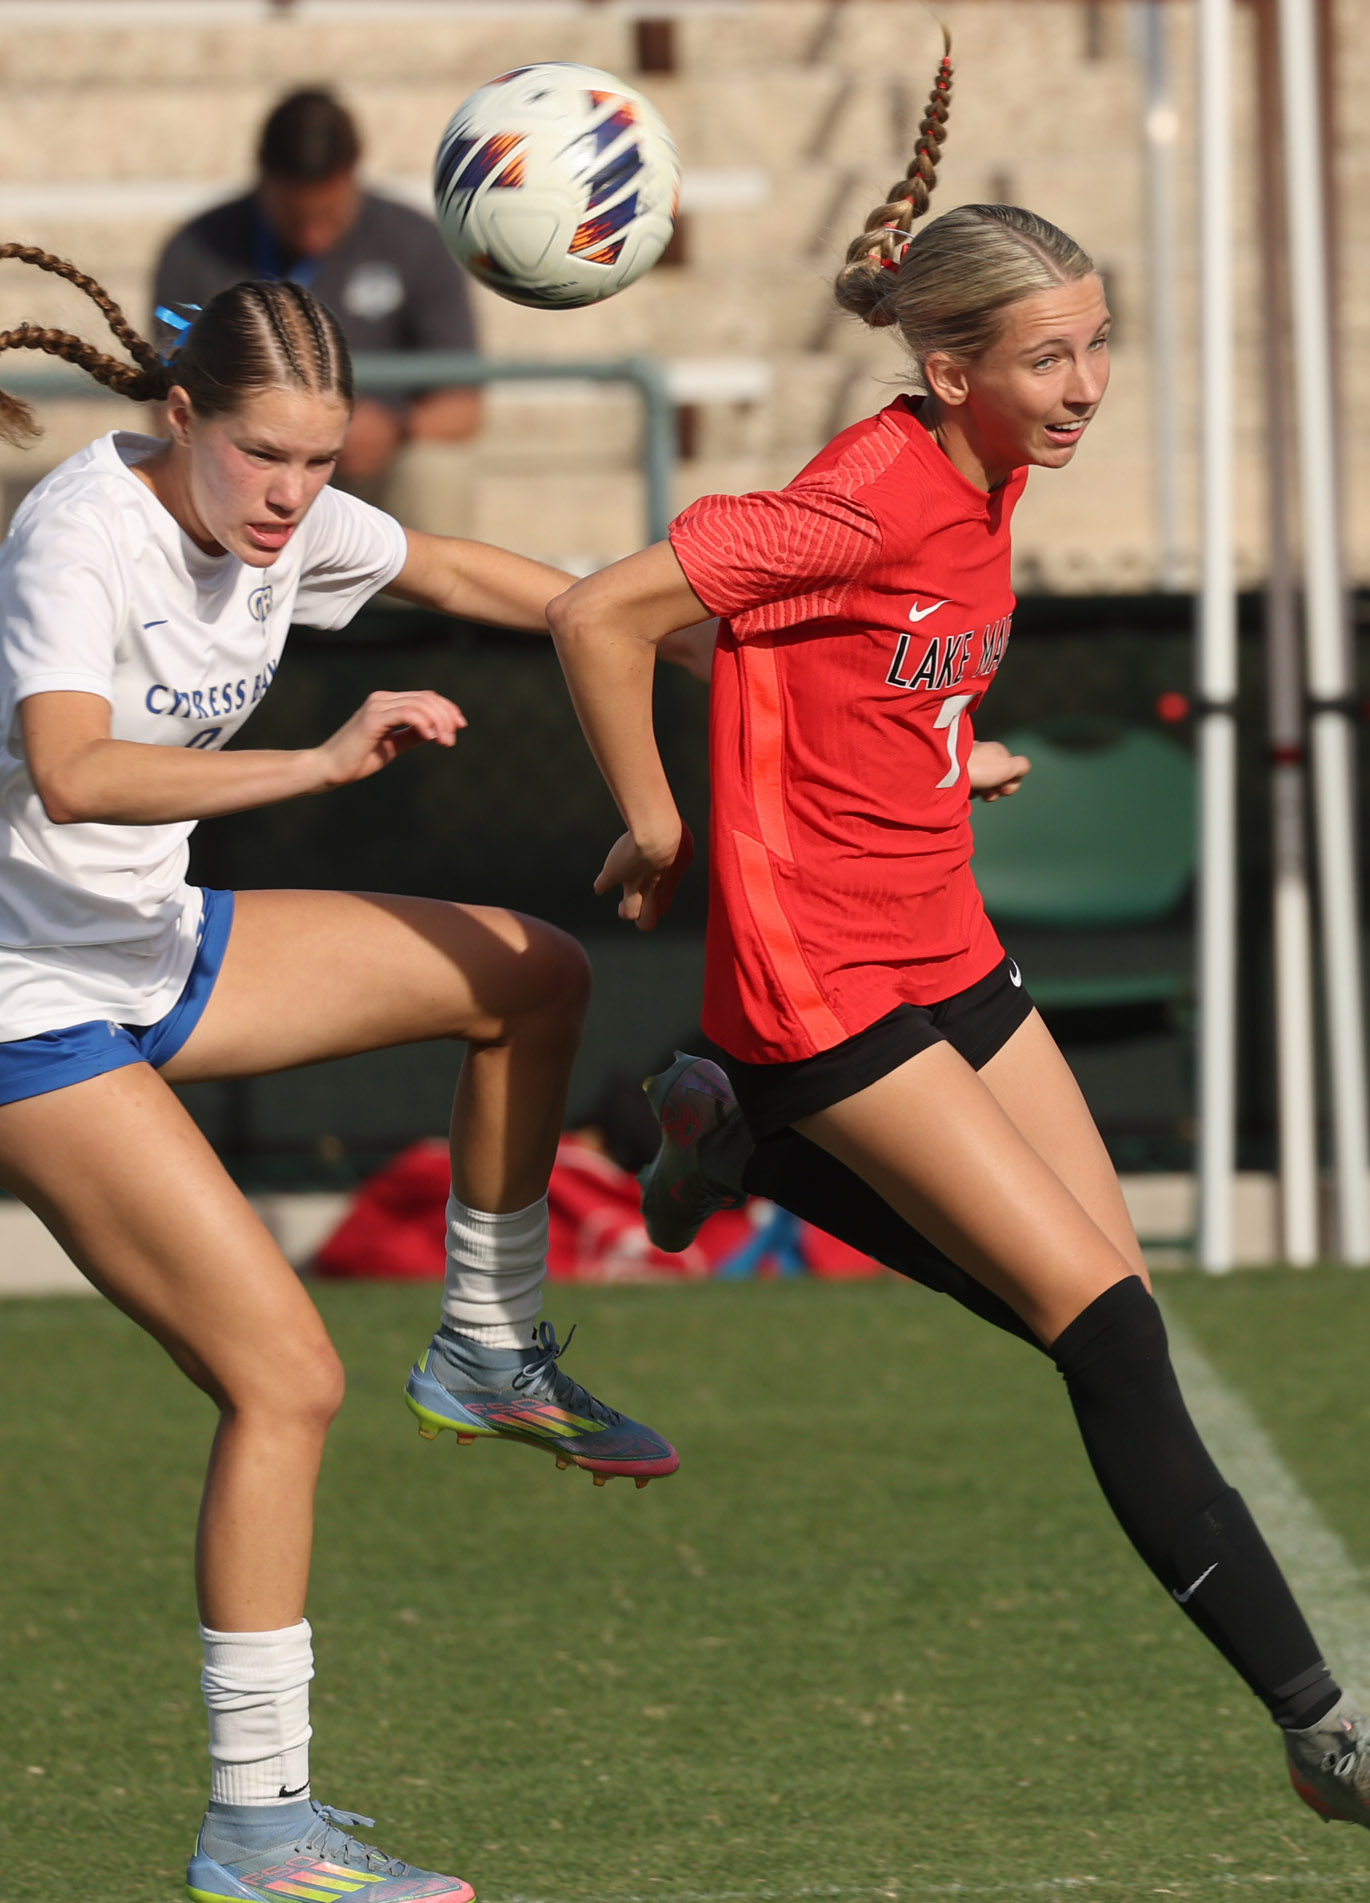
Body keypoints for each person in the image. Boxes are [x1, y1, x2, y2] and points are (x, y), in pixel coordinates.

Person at [545, 40, 1370, 1834]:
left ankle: (748, 1144)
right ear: (949, 370)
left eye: (1094, 345)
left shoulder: (988, 468)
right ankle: (1324, 1731)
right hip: (824, 976)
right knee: (1101, 1330)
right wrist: (664, 819)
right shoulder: (871, 488)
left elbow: (803, 647)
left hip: (944, 935)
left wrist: (933, 737)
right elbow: (606, 612)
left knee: (1107, 1299)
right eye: (1047, 357)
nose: (1085, 387)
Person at [0, 244, 677, 1903]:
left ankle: (490, 1346)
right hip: (28, 1007)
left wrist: (689, 630)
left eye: (322, 459)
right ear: (181, 416)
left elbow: (460, 567)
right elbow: (73, 773)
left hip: (156, 949)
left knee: (538, 973)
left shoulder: (284, 517)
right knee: (285, 1378)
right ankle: (259, 1828)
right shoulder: (79, 533)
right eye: (262, 455)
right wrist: (317, 754)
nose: (295, 494)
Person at [153, 88, 481, 485]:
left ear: (353, 175)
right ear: (264, 181)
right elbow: (167, 406)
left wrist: (396, 427)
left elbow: (465, 406)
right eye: (294, 218)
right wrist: (254, 440)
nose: (313, 238)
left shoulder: (416, 242)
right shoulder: (196, 248)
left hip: (372, 469)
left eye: (329, 215)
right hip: (245, 469)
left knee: (435, 471)